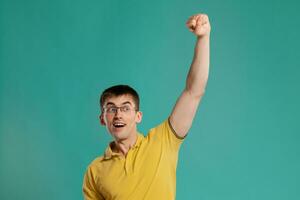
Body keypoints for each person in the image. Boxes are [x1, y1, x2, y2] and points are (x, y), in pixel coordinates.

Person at [82, 13, 211, 200]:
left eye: (125, 108)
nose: (118, 115)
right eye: (111, 109)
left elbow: (194, 91)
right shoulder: (95, 171)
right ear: (103, 119)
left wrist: (203, 38)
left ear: (138, 116)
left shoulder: (163, 141)